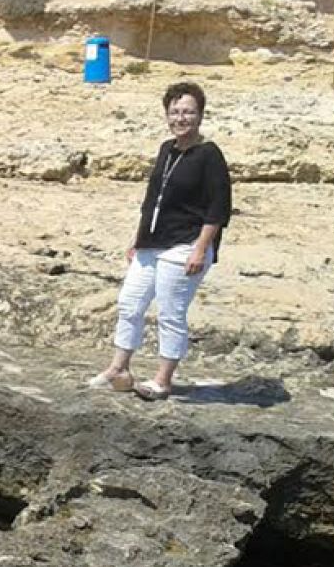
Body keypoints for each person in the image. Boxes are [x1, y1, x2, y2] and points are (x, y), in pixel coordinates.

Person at [88, 81, 232, 401]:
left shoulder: (209, 155)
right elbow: (154, 198)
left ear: (201, 115)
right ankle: (119, 368)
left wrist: (201, 247)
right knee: (130, 303)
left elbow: (218, 207)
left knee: (170, 311)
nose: (182, 118)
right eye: (176, 112)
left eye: (189, 112)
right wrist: (138, 240)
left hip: (186, 245)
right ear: (167, 114)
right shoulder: (167, 149)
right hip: (153, 243)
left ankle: (163, 380)